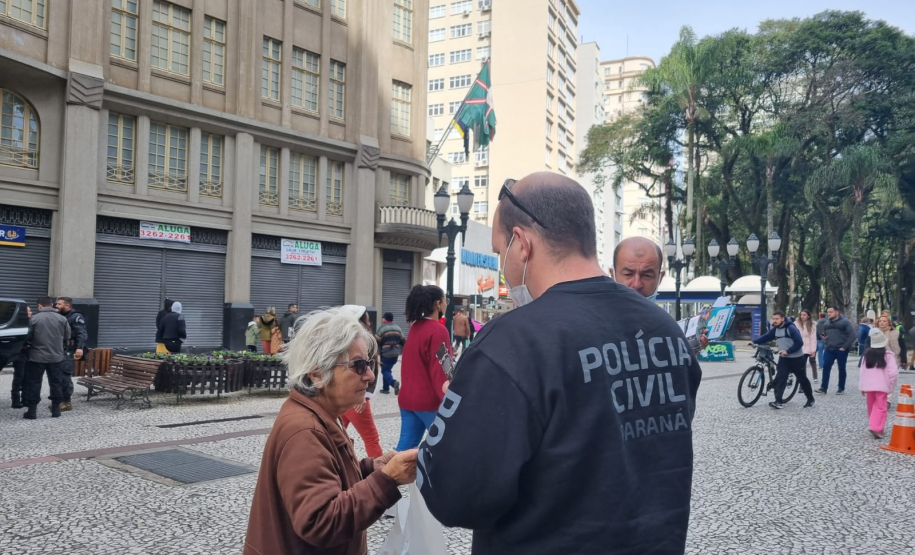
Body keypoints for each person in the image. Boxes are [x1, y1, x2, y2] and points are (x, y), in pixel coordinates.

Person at [417, 173, 702, 554]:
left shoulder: (513, 342)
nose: (503, 265)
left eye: (499, 250)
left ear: (522, 244)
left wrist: (463, 418)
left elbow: (455, 493)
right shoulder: (668, 332)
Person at [244, 307, 417, 555]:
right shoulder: (304, 430)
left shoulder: (319, 414)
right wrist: (386, 479)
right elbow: (320, 521)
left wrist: (371, 469)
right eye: (358, 365)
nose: (369, 375)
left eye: (368, 364)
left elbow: (328, 476)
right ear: (317, 373)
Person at [612, 236, 709, 352]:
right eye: (628, 274)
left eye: (647, 275)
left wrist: (687, 354)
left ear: (660, 277)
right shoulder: (593, 323)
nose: (637, 284)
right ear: (613, 274)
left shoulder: (669, 328)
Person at [396, 284, 451, 451]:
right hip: (429, 402)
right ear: (438, 304)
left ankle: (386, 476)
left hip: (407, 398)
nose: (446, 303)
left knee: (403, 451)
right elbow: (442, 369)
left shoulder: (415, 327)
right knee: (447, 449)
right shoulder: (438, 330)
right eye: (445, 299)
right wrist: (447, 399)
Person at [339, 305, 383, 458]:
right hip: (357, 396)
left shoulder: (341, 340)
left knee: (337, 434)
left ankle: (340, 466)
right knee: (371, 438)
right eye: (367, 318)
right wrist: (364, 395)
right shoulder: (364, 341)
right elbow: (370, 371)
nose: (369, 321)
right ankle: (380, 475)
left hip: (342, 395)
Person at [750, 311, 815, 409]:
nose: (775, 321)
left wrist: (788, 351)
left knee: (802, 379)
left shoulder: (791, 328)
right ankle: (778, 401)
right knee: (781, 378)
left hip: (797, 359)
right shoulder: (775, 329)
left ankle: (810, 399)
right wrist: (754, 341)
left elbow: (799, 343)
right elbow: (767, 336)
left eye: (777, 319)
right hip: (784, 359)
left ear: (783, 319)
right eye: (773, 319)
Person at [23, 297, 70, 420]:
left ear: (39, 306)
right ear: (52, 305)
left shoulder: (34, 319)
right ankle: (56, 410)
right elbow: (67, 336)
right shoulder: (62, 319)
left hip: (36, 357)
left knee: (34, 383)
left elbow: (27, 336)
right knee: (56, 383)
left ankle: (32, 411)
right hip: (56, 357)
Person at [858, 329, 899, 439]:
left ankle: (873, 423)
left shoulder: (867, 355)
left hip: (869, 386)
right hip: (882, 385)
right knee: (881, 407)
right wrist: (892, 384)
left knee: (871, 406)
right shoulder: (888, 355)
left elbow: (862, 371)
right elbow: (893, 372)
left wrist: (862, 386)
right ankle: (876, 427)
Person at [55, 296, 87, 412]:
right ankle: (59, 400)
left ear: (67, 305)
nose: (56, 306)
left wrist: (79, 348)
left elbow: (81, 333)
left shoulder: (76, 317)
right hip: (58, 349)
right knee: (57, 375)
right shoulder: (60, 317)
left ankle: (66, 402)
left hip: (69, 350)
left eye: (59, 304)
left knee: (65, 375)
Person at [815, 306, 856, 395]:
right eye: (828, 312)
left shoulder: (845, 322)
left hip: (841, 349)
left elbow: (852, 335)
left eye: (831, 312)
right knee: (826, 367)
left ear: (837, 312)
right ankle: (823, 387)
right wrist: (824, 337)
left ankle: (841, 388)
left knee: (841, 368)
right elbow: (825, 334)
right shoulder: (826, 323)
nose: (828, 314)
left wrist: (844, 347)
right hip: (829, 348)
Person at [375, 312, 403, 394]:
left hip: (386, 353)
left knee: (385, 371)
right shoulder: (398, 328)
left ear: (384, 318)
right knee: (387, 369)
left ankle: (393, 383)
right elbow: (403, 341)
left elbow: (376, 341)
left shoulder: (382, 328)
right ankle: (385, 388)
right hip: (395, 354)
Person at [797, 309, 819, 383]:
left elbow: (813, 338)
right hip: (799, 347)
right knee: (801, 365)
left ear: (808, 316)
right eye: (801, 315)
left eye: (804, 315)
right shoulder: (796, 324)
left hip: (808, 347)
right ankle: (802, 382)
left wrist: (813, 350)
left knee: (810, 362)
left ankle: (813, 378)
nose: (802, 316)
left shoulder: (812, 325)